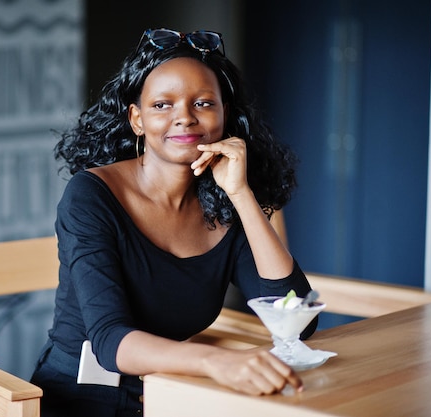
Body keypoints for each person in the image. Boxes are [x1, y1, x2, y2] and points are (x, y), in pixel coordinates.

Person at [30, 28, 317, 417]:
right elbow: (111, 340)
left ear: (224, 115)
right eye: (163, 105)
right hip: (79, 398)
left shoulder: (223, 203)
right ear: (137, 119)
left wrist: (241, 194)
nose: (184, 117)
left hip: (174, 393)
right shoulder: (92, 195)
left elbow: (297, 318)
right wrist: (215, 363)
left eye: (203, 103)